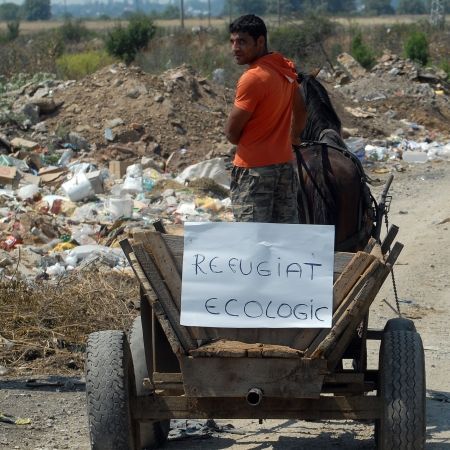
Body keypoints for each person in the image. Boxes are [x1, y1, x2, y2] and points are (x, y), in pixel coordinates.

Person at [225, 14, 307, 223]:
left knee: (252, 240)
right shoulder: (285, 69)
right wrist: (294, 138)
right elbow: (301, 109)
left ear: (260, 41)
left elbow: (232, 134)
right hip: (284, 168)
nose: (235, 47)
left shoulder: (253, 78)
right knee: (284, 238)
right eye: (232, 41)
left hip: (253, 171)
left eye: (242, 42)